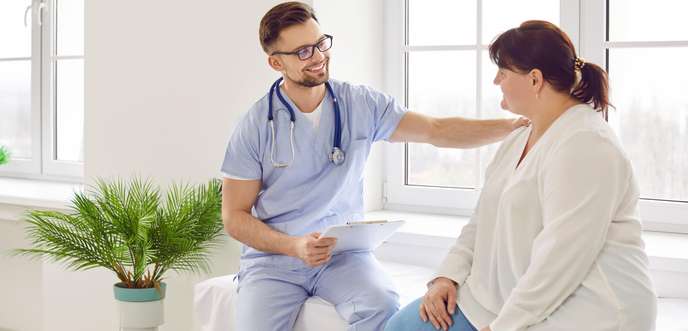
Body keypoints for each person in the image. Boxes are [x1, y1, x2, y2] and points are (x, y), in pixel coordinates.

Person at [220, 2, 528, 331]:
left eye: (321, 43)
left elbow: (436, 130)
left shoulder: (361, 104)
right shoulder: (255, 126)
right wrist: (293, 246)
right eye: (304, 51)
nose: (319, 56)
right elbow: (234, 217)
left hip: (342, 257)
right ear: (276, 62)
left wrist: (511, 128)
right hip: (274, 262)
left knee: (382, 304)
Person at [385, 20, 657, 331]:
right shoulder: (518, 138)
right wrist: (447, 276)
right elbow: (481, 221)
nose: (495, 80)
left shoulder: (587, 145)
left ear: (535, 80)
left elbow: (562, 258)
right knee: (400, 327)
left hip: (589, 309)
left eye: (503, 71)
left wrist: (505, 326)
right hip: (501, 300)